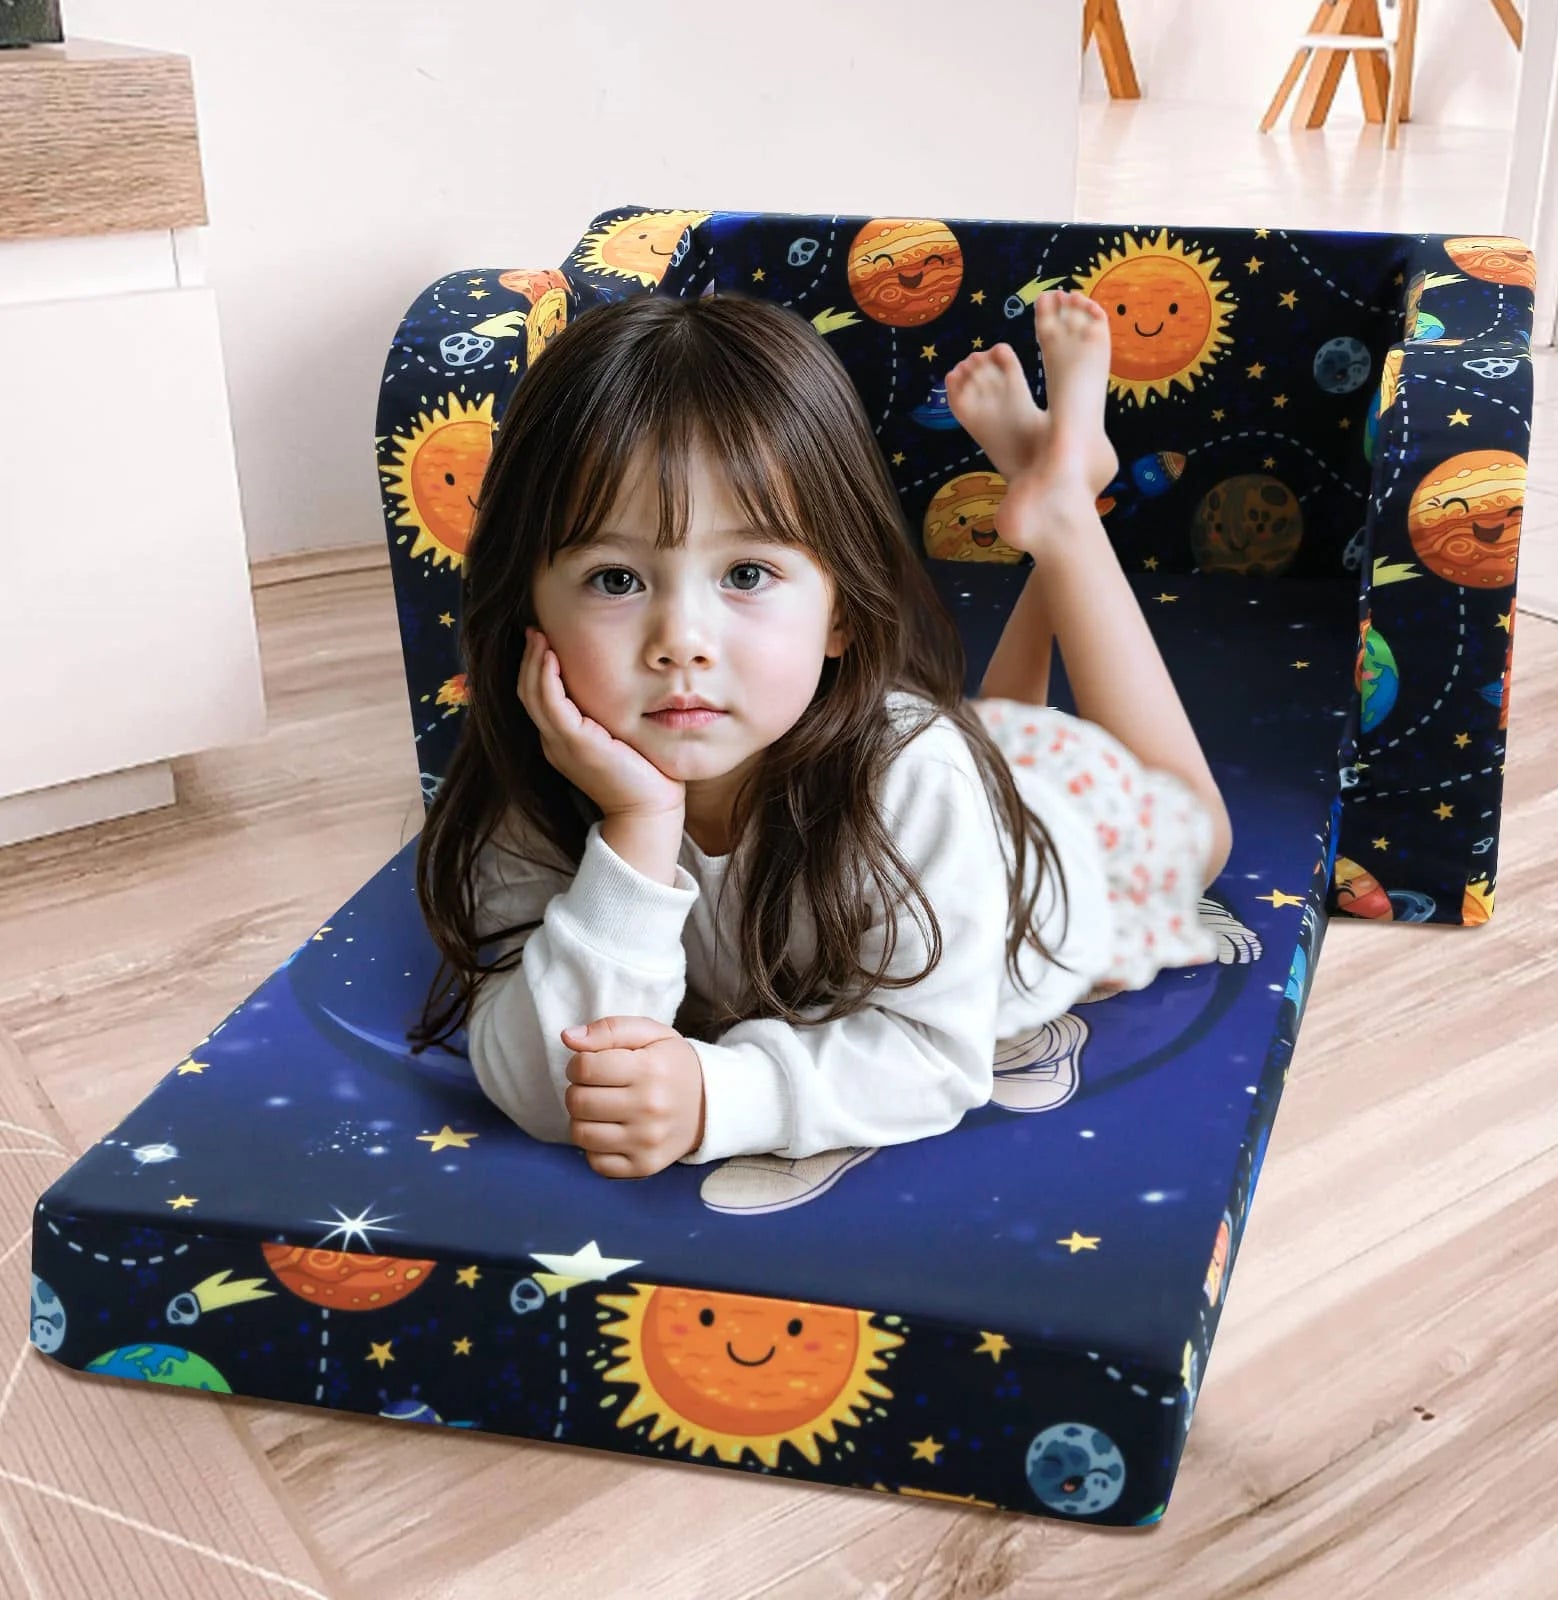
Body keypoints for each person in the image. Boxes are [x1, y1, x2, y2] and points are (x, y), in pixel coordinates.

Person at [407, 286, 1233, 1181]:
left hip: (1057, 855)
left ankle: (1068, 514)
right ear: (528, 606)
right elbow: (548, 1084)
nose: (682, 641)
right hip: (964, 779)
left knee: (1194, 831)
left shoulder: (917, 781)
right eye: (615, 580)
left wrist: (719, 1097)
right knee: (995, 733)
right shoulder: (544, 782)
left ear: (840, 609)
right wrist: (636, 832)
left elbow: (933, 1058)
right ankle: (1056, 485)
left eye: (748, 571)